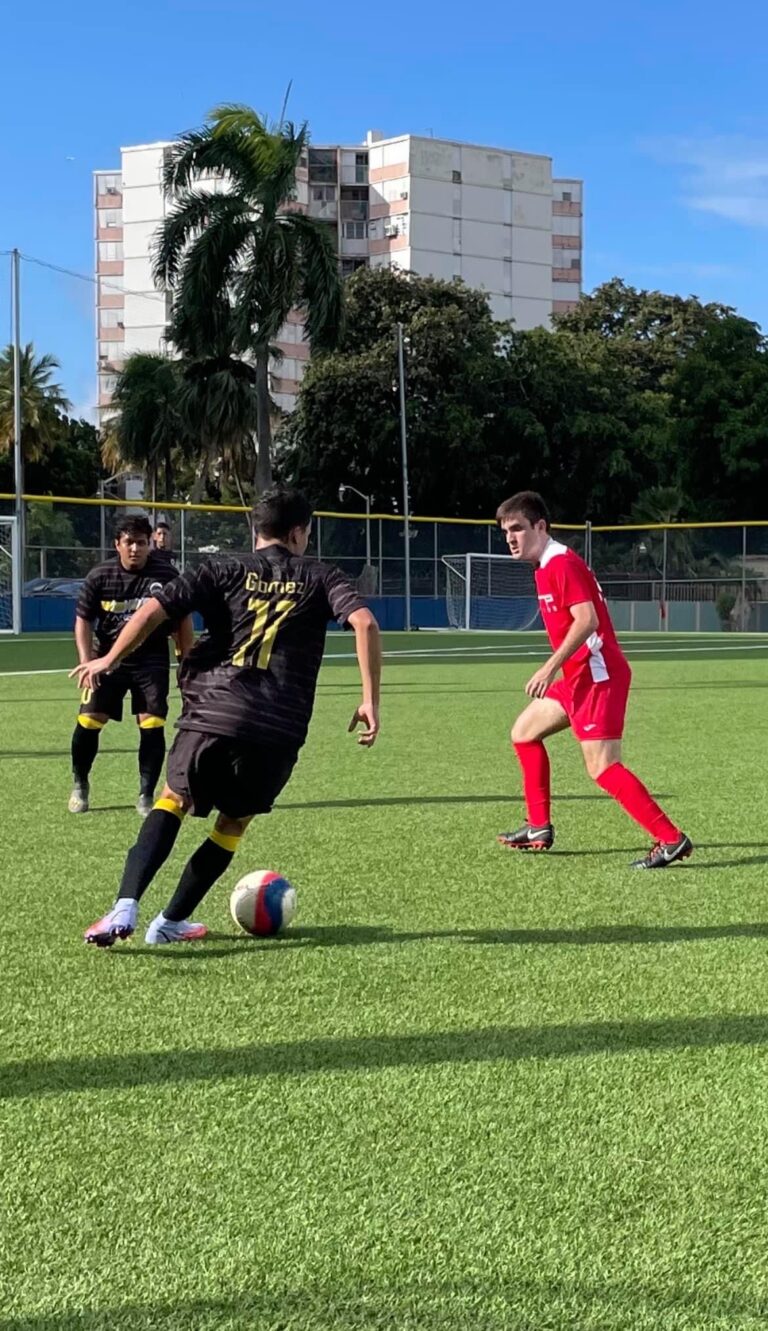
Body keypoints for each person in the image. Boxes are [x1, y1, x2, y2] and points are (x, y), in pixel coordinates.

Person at [71, 488, 382, 946]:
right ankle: (169, 923)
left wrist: (110, 657)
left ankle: (124, 906)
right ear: (298, 532)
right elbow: (366, 623)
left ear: (255, 530)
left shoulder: (222, 567)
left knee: (172, 800)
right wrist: (370, 698)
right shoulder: (321, 575)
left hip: (213, 711)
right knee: (232, 824)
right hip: (277, 727)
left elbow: (155, 608)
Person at [496, 491, 692, 869]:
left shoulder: (560, 563)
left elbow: (588, 620)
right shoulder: (543, 564)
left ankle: (671, 839)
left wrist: (549, 666)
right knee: (523, 732)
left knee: (602, 767)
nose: (510, 537)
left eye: (518, 528)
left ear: (540, 526)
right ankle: (538, 827)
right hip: (578, 676)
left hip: (597, 675)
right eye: (506, 530)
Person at [69, 515, 194, 817]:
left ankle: (145, 794)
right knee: (89, 721)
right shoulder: (100, 576)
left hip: (151, 659)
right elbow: (83, 620)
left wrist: (186, 663)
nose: (136, 548)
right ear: (117, 545)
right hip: (106, 659)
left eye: (142, 542)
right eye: (129, 542)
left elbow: (182, 621)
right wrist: (87, 663)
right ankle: (80, 782)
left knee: (151, 724)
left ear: (150, 543)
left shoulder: (167, 575)